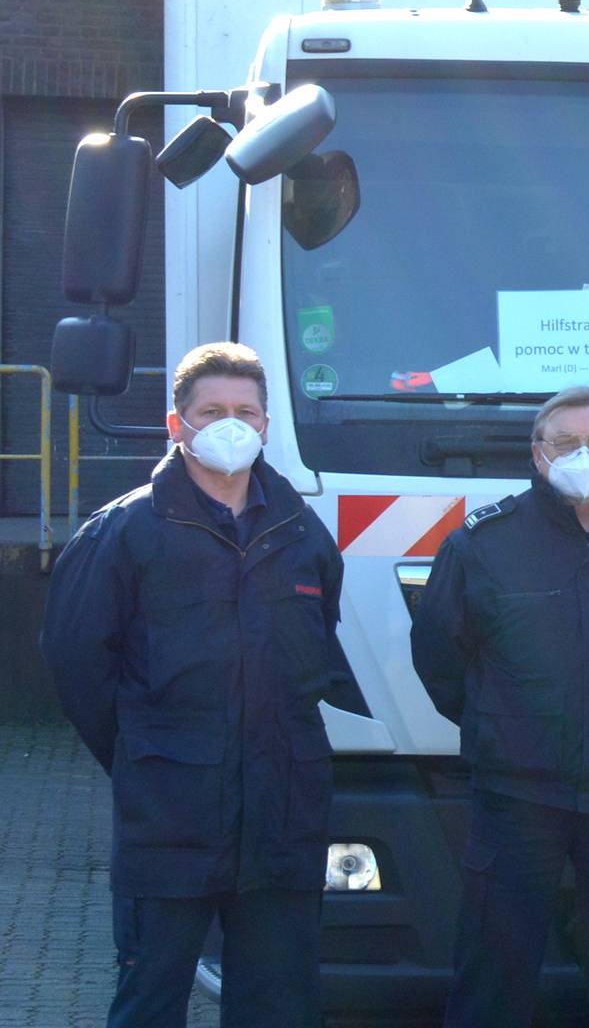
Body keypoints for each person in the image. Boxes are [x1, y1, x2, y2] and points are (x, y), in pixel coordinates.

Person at [44, 342, 349, 1028]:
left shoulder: (301, 534)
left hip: (281, 820)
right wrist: (148, 753)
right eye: (212, 411)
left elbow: (316, 646)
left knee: (279, 1005)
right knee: (151, 1001)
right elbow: (77, 666)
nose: (231, 423)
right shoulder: (123, 533)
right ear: (176, 424)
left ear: (267, 424)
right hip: (169, 822)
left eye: (245, 410)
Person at [409, 385, 589, 1027]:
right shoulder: (483, 543)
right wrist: (507, 727)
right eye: (566, 442)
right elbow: (439, 657)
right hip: (518, 796)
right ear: (538, 455)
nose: (583, 454)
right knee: (494, 970)